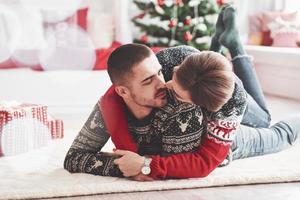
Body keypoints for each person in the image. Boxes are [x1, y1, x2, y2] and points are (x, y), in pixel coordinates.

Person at [64, 5, 300, 180]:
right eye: (151, 79)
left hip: (228, 124)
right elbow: (112, 96)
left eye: (175, 93)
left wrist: (146, 166)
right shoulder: (163, 64)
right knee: (199, 69)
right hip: (198, 67)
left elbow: (205, 162)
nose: (163, 84)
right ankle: (218, 48)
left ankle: (234, 47)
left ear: (198, 104)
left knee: (267, 123)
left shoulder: (229, 103)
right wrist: (129, 160)